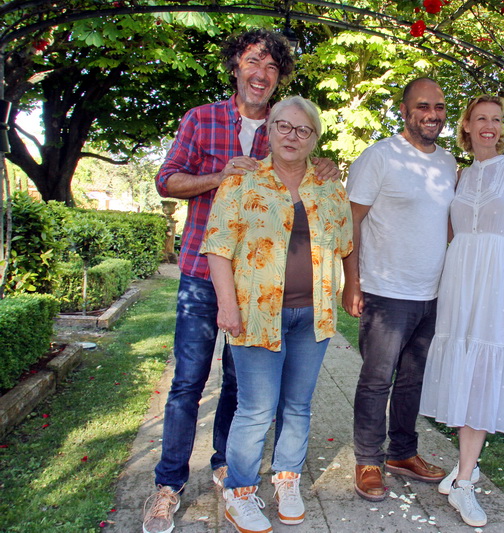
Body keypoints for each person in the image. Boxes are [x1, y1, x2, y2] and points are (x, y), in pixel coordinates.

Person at [146, 29, 339, 533]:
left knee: (241, 385)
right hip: (200, 271)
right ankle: (168, 485)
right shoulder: (203, 118)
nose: (261, 73)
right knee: (188, 382)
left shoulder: (288, 128)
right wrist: (219, 177)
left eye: (272, 67)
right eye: (253, 61)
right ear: (236, 65)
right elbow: (166, 180)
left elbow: (314, 199)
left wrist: (326, 166)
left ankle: (227, 468)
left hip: (266, 287)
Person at [201, 95, 352, 533]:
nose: (292, 136)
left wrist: (350, 290)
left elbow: (345, 244)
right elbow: (217, 247)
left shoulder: (329, 186)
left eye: (303, 130)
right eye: (284, 127)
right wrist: (227, 306)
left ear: (315, 139)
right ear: (269, 131)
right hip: (255, 315)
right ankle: (240, 493)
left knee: (298, 405)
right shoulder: (242, 182)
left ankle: (287, 480)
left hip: (314, 316)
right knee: (255, 409)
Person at [418, 94, 504, 527]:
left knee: (484, 369)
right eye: (481, 118)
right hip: (459, 278)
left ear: (503, 127)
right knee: (461, 366)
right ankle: (464, 469)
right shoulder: (459, 174)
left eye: (497, 120)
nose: (490, 126)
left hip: (498, 279)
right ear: (466, 125)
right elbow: (441, 231)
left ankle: (465, 481)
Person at [343, 77, 456, 502]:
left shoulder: (448, 164)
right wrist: (351, 282)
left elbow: (445, 225)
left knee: (413, 381)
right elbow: (350, 221)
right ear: (405, 111)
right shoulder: (379, 157)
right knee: (376, 381)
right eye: (423, 106)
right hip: (386, 292)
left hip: (431, 294)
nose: (432, 114)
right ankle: (368, 460)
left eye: (440, 107)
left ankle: (402, 453)